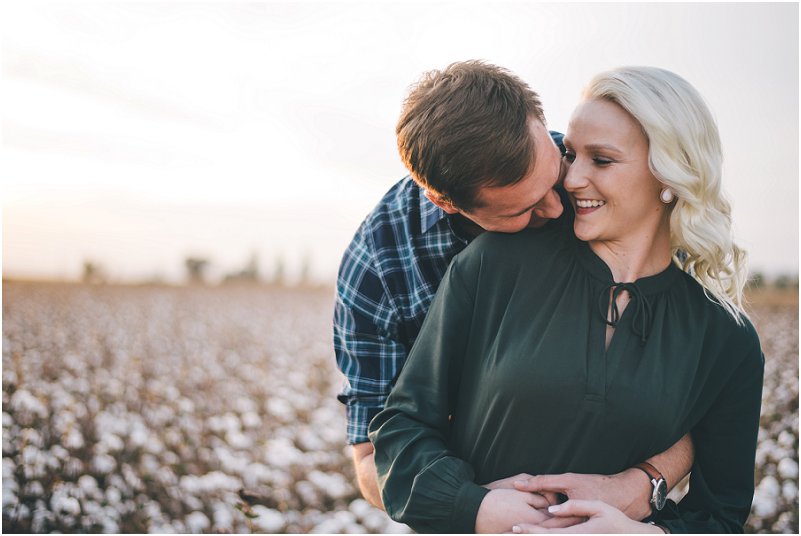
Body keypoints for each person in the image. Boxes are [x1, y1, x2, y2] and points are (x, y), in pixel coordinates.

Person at [368, 66, 764, 533]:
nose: (571, 178)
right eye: (571, 154)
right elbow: (402, 429)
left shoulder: (726, 338)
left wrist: (639, 532)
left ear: (670, 174)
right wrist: (475, 509)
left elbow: (721, 516)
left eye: (601, 160)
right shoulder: (495, 263)